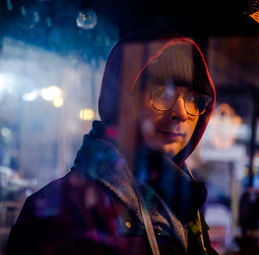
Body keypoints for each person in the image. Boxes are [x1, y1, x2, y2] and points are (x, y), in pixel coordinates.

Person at [6, 28, 217, 255]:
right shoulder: (64, 210)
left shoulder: (184, 203)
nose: (182, 113)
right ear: (121, 101)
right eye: (162, 93)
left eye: (194, 99)